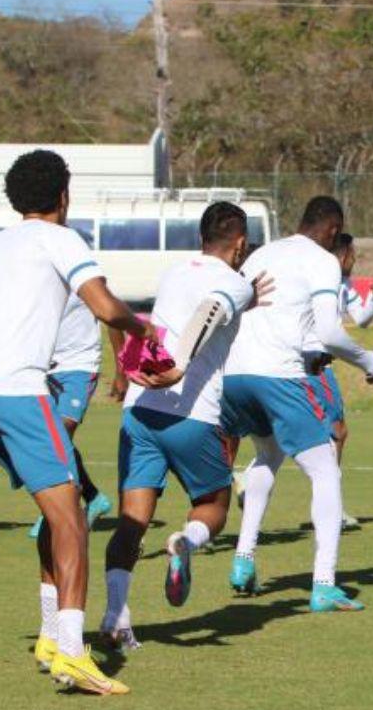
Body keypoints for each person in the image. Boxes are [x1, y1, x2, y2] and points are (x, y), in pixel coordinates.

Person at [0, 149, 155, 695]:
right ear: (63, 196)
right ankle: (73, 653)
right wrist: (143, 330)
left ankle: (53, 634)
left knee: (59, 510)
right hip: (17, 394)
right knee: (73, 517)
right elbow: (105, 307)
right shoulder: (63, 239)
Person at [100, 202, 266, 649]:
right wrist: (178, 368)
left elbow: (194, 306)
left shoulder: (175, 272)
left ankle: (116, 616)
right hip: (190, 415)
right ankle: (186, 544)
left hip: (140, 411)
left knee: (131, 522)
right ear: (240, 244)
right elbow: (211, 308)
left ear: (201, 237)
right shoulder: (234, 282)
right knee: (213, 505)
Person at [223, 196, 373, 612]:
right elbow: (329, 331)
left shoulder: (264, 252)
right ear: (333, 229)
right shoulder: (323, 260)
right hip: (278, 375)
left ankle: (242, 559)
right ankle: (324, 584)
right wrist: (369, 360)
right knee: (326, 469)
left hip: (235, 374)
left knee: (268, 455)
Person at [300, 232, 373, 531]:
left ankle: (251, 479)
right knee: (337, 432)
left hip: (314, 362)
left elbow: (361, 319)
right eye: (353, 254)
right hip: (315, 362)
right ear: (342, 254)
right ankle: (330, 510)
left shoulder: (344, 285)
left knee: (304, 433)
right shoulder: (320, 279)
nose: (356, 259)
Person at [26, 294, 113, 539]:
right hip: (46, 367)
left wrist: (121, 371)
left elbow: (111, 315)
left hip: (81, 365)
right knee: (48, 439)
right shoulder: (40, 275)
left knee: (60, 435)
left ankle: (57, 508)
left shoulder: (84, 275)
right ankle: (94, 498)